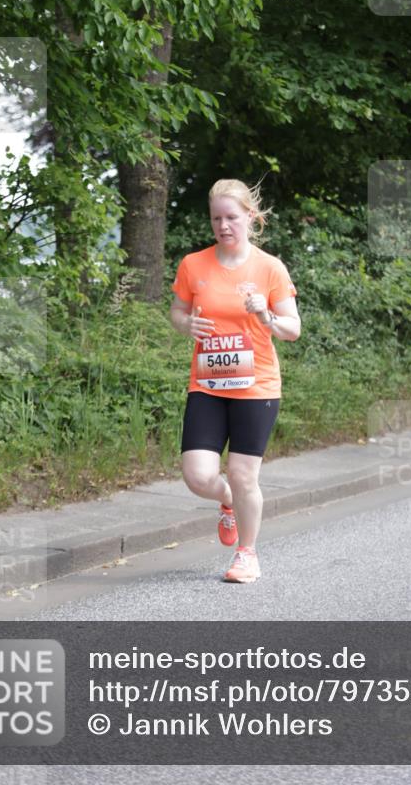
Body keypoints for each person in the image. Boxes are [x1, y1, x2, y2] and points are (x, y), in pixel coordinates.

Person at [170, 179, 300, 583]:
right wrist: (187, 324)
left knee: (245, 475)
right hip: (208, 384)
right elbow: (176, 312)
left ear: (250, 217)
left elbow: (293, 329)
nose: (223, 226)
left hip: (256, 386)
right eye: (216, 218)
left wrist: (266, 316)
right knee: (199, 475)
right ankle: (227, 501)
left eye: (231, 217)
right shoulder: (193, 265)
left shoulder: (269, 267)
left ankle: (247, 554)